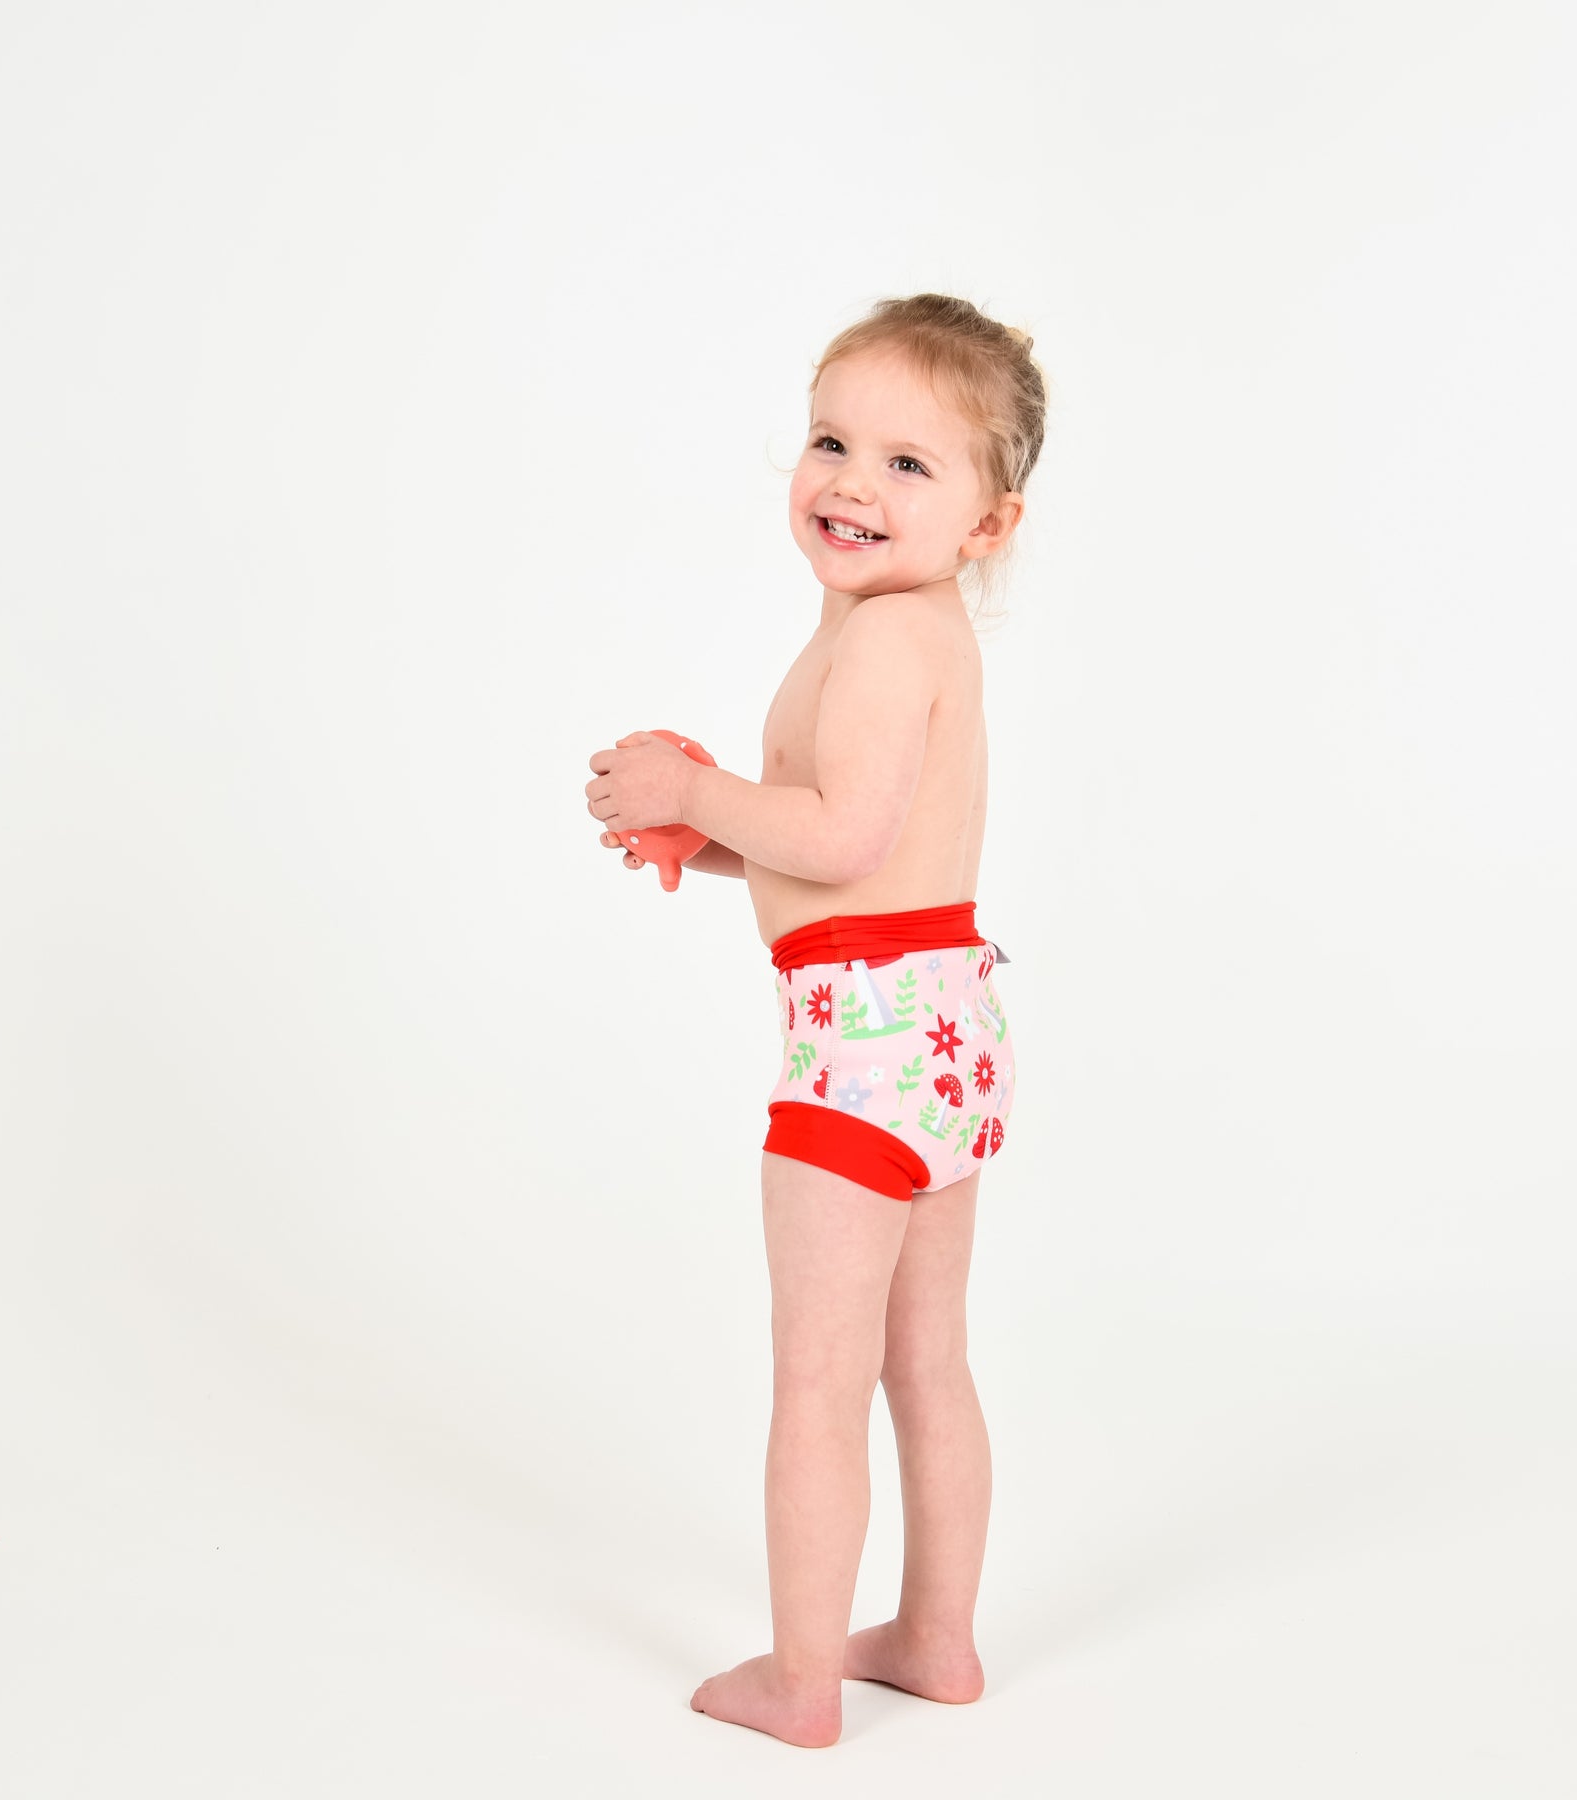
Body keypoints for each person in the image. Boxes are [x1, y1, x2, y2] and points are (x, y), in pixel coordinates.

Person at [583, 292, 1045, 1749]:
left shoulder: (887, 640)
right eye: (833, 441)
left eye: (910, 463)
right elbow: (853, 853)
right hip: (946, 1023)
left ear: (989, 522)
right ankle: (936, 1638)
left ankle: (799, 1683)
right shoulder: (918, 634)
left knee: (819, 1380)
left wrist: (692, 790)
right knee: (928, 1362)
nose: (853, 482)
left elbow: (839, 836)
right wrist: (711, 839)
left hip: (863, 1042)